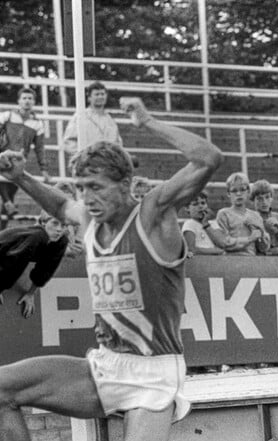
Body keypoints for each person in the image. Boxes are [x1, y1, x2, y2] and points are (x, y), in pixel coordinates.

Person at [0, 96, 222, 441]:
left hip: (152, 373)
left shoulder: (153, 215)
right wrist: (21, 177)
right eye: (82, 188)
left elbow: (209, 158)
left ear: (125, 185)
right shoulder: (89, 218)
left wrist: (147, 122)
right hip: (105, 366)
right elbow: (61, 205)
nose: (87, 198)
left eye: (96, 188)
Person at [0, 210, 68, 318]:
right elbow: (11, 265)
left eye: (64, 225)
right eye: (55, 223)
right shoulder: (36, 236)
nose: (59, 229)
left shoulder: (61, 240)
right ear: (43, 222)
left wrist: (31, 293)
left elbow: (47, 269)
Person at [0, 87, 49, 229]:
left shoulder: (37, 123)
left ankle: (2, 232)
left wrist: (44, 169)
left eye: (30, 98)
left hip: (19, 162)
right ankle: (8, 203)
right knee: (4, 182)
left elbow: (39, 148)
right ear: (19, 101)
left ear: (34, 102)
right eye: (24, 98)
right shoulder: (7, 116)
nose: (27, 101)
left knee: (9, 194)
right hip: (2, 157)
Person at [214, 172, 269, 256]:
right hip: (230, 260)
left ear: (248, 191)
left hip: (252, 261)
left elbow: (263, 248)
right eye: (234, 190)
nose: (239, 194)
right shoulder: (223, 214)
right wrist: (249, 239)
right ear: (228, 193)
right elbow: (224, 242)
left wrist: (261, 234)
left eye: (242, 189)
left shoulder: (256, 216)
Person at [62, 81, 123, 155]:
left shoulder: (110, 120)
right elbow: (68, 142)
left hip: (107, 163)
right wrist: (83, 156)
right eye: (97, 94)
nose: (100, 97)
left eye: (102, 94)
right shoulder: (80, 116)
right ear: (89, 98)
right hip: (87, 162)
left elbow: (118, 145)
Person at [250, 179, 278, 256]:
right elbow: (251, 250)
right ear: (253, 200)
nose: (264, 202)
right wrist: (275, 251)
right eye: (259, 198)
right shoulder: (249, 219)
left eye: (267, 197)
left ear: (271, 199)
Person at [181, 191, 224, 257]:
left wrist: (205, 224)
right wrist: (215, 251)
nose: (200, 206)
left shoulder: (213, 223)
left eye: (203, 203)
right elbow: (191, 249)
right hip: (200, 260)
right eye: (195, 204)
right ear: (187, 208)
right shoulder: (189, 224)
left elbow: (222, 243)